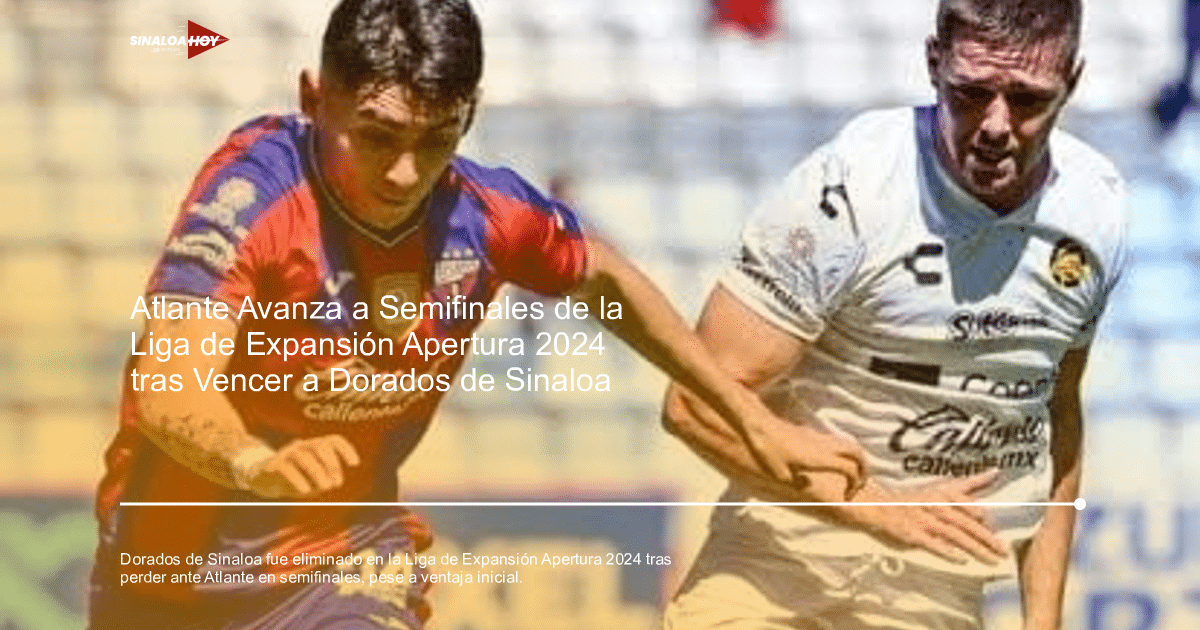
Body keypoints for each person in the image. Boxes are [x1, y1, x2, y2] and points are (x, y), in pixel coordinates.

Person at [87, 1, 865, 628]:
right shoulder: (252, 194)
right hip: (168, 572)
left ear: (469, 115)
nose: (404, 172)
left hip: (342, 563)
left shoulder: (486, 212)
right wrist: (254, 462)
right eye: (378, 137)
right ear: (312, 98)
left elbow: (604, 274)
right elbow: (167, 385)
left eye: (436, 139)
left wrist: (750, 417)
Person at [662, 0, 1127, 628]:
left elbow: (1055, 413)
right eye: (970, 92)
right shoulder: (849, 190)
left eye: (1026, 99)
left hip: (933, 587)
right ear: (933, 62)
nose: (994, 124)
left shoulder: (1096, 212)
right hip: (778, 561)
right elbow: (692, 405)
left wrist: (1042, 621)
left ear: (1071, 81)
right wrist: (876, 507)